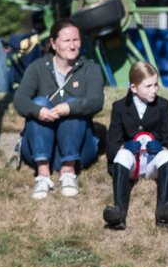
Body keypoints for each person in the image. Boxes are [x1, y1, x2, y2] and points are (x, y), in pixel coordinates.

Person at [12, 19, 105, 200]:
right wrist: (39, 111)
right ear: (53, 43)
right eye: (66, 41)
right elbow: (19, 100)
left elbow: (96, 102)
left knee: (74, 105)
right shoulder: (37, 68)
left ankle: (68, 172)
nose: (72, 46)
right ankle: (43, 174)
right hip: (39, 147)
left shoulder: (91, 69)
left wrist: (68, 107)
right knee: (39, 102)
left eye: (76, 40)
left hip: (80, 150)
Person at [103, 62, 168, 230]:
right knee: (121, 156)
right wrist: (124, 148)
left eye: (156, 84)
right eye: (148, 86)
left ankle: (164, 211)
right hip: (131, 164)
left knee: (167, 156)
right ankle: (118, 212)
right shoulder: (119, 107)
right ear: (134, 88)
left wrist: (162, 148)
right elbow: (111, 147)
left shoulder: (163, 106)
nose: (155, 90)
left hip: (153, 164)